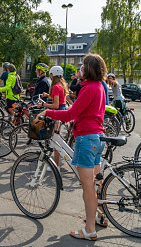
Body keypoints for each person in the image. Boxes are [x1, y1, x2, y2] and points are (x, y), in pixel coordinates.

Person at [37, 54, 108, 241]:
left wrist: (47, 111)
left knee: (88, 188)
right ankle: (100, 216)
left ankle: (89, 229)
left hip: (86, 139)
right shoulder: (99, 86)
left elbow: (69, 115)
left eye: (83, 66)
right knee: (95, 183)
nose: (80, 69)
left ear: (89, 69)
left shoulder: (89, 88)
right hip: (98, 137)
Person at [38, 65, 68, 170]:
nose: (50, 77)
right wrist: (48, 95)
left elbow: (55, 105)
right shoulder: (62, 85)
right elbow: (59, 99)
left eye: (50, 75)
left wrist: (43, 105)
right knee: (56, 138)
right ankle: (56, 163)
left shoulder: (55, 86)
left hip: (57, 113)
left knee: (56, 140)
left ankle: (56, 165)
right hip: (63, 111)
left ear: (53, 75)